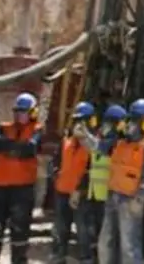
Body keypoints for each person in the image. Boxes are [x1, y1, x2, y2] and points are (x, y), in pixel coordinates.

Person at [98, 98, 144, 264]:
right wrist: (91, 137)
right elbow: (100, 149)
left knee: (129, 245)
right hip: (113, 195)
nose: (132, 124)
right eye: (131, 119)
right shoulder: (119, 139)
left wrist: (140, 197)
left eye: (136, 120)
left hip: (131, 199)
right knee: (106, 241)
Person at [0, 92, 43, 264]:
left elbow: (30, 149)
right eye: (18, 111)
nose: (19, 115)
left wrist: (10, 148)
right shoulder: (4, 127)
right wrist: (18, 148)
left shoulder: (37, 130)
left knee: (20, 231)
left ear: (33, 113)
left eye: (24, 111)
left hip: (22, 189)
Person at [75, 103, 127, 264]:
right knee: (86, 229)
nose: (107, 126)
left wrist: (84, 135)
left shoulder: (118, 143)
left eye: (111, 123)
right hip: (92, 192)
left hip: (107, 196)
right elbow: (89, 164)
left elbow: (98, 148)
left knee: (104, 234)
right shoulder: (100, 138)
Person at [50, 101, 96, 264]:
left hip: (81, 195)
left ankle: (86, 259)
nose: (79, 124)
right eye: (77, 120)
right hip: (62, 191)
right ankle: (58, 257)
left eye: (83, 120)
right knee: (60, 228)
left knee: (83, 230)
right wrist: (56, 175)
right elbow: (55, 161)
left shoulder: (94, 145)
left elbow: (92, 170)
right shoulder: (66, 141)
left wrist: (80, 190)